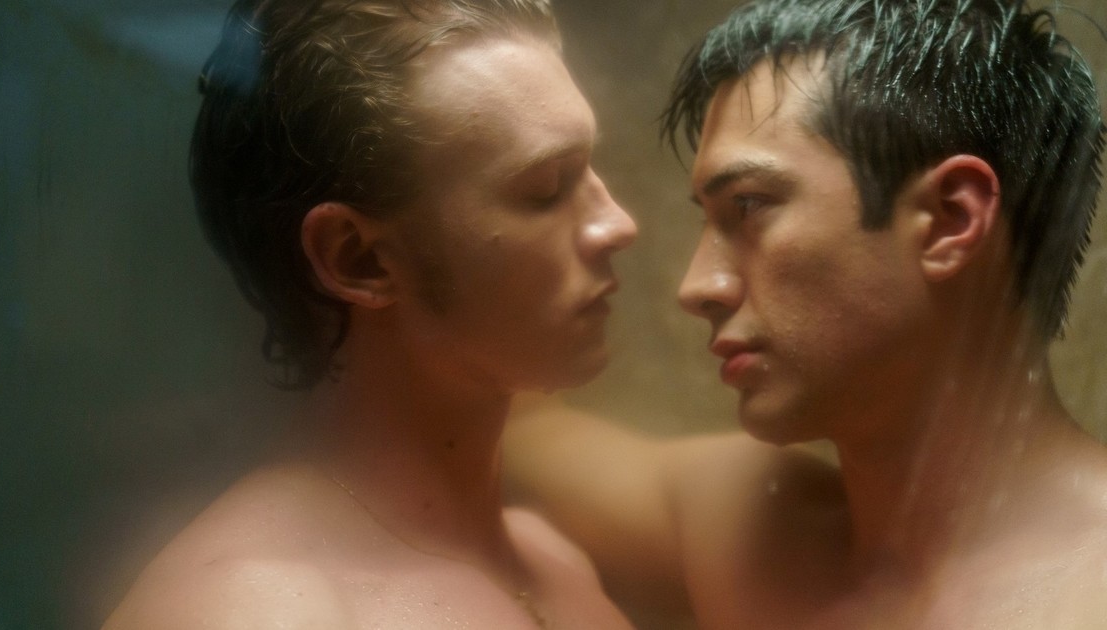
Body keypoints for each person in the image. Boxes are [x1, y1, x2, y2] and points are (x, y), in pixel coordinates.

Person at [505, 0, 1107, 627]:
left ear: (948, 220)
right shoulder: (753, 536)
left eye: (748, 206)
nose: (697, 287)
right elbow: (513, 433)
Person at [102, 0, 639, 628]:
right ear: (357, 259)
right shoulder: (248, 612)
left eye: (590, 169)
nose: (619, 224)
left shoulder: (554, 560)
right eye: (546, 189)